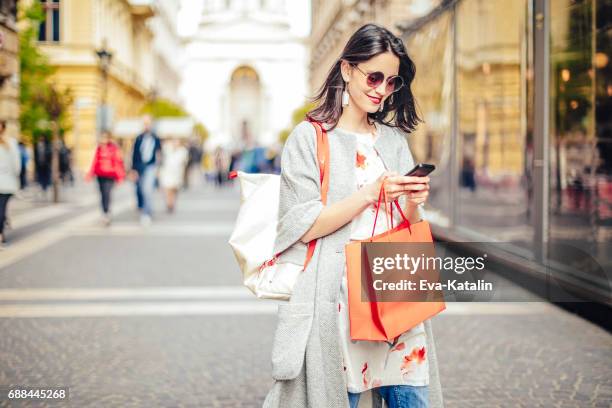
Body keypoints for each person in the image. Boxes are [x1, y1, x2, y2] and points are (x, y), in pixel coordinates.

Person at [263, 24, 442, 408]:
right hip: (338, 298)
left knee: (413, 396)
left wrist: (414, 200)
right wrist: (367, 195)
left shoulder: (393, 140)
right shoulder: (310, 138)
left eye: (391, 82)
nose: (381, 89)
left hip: (396, 289)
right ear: (347, 70)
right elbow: (301, 224)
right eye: (374, 76)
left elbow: (411, 227)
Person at [85, 130, 125, 226]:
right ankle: (104, 212)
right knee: (102, 194)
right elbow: (95, 162)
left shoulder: (113, 148)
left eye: (104, 137)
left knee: (107, 193)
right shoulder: (99, 148)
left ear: (108, 138)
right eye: (101, 137)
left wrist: (120, 176)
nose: (103, 139)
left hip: (110, 175)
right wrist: (90, 174)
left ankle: (107, 212)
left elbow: (117, 162)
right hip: (100, 174)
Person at [129, 115, 161, 226]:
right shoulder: (139, 138)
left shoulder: (156, 138)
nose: (146, 125)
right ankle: (144, 207)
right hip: (139, 167)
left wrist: (158, 169)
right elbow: (134, 155)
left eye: (148, 123)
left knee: (148, 190)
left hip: (151, 167)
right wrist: (133, 170)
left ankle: (146, 213)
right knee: (140, 189)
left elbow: (159, 154)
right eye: (145, 123)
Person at [0, 120, 21, 248]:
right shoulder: (11, 143)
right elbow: (16, 166)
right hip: (7, 182)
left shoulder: (10, 143)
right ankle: (1, 234)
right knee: (2, 208)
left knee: (1, 209)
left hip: (6, 182)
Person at [159, 138, 188, 213]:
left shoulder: (183, 151)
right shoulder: (167, 150)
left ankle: (172, 202)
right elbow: (161, 158)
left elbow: (185, 163)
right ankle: (169, 204)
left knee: (174, 190)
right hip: (167, 173)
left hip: (177, 174)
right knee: (168, 190)